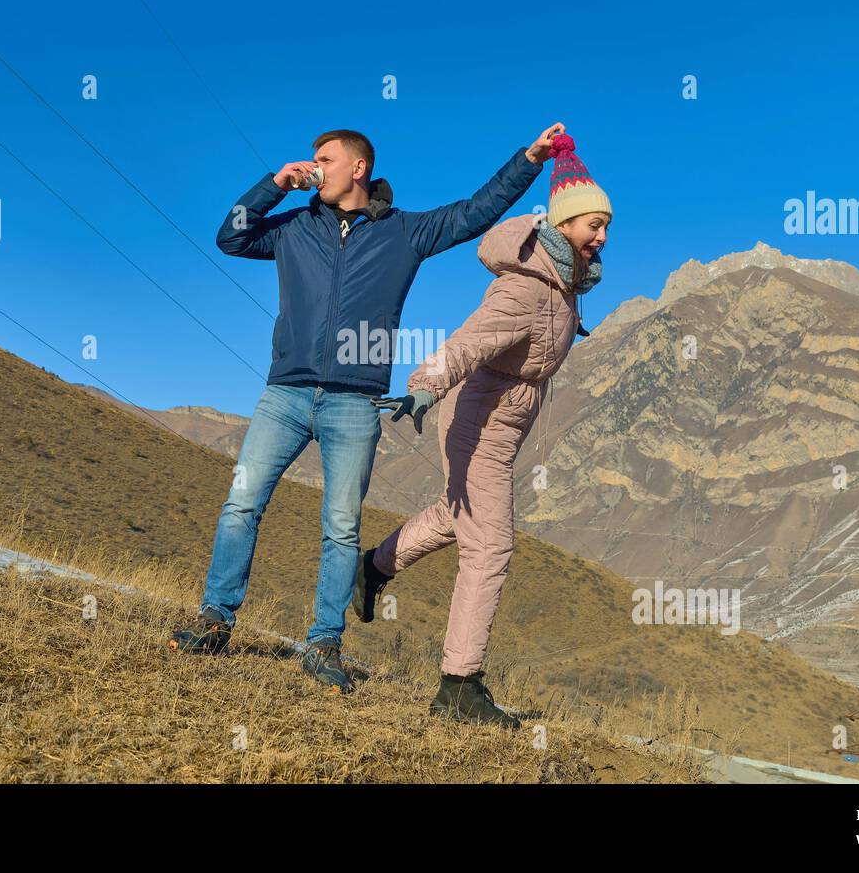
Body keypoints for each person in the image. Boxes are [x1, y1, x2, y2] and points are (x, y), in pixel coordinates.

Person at [169, 124, 566, 694]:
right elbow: (230, 237)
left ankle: (323, 643)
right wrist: (274, 185)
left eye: (323, 160)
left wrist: (529, 159)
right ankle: (214, 620)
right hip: (284, 393)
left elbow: (476, 213)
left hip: (354, 404)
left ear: (357, 169)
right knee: (241, 505)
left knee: (340, 528)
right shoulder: (293, 227)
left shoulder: (404, 233)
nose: (314, 167)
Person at [355, 134, 610, 725]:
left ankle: (369, 569)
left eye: (605, 227)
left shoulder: (563, 287)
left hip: (499, 426)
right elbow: (469, 344)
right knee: (490, 546)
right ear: (564, 224)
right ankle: (458, 684)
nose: (601, 237)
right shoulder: (527, 288)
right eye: (592, 225)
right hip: (475, 425)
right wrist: (425, 385)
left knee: (456, 514)